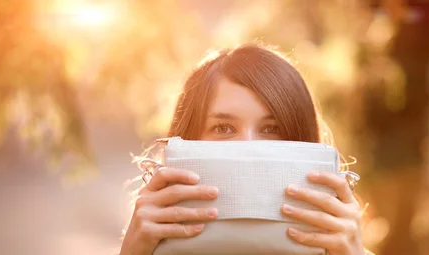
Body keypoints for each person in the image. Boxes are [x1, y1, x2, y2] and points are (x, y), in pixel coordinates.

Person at [120, 43, 369, 255]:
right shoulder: (147, 243)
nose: (248, 147)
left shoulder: (344, 247)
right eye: (223, 128)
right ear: (186, 140)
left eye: (272, 129)